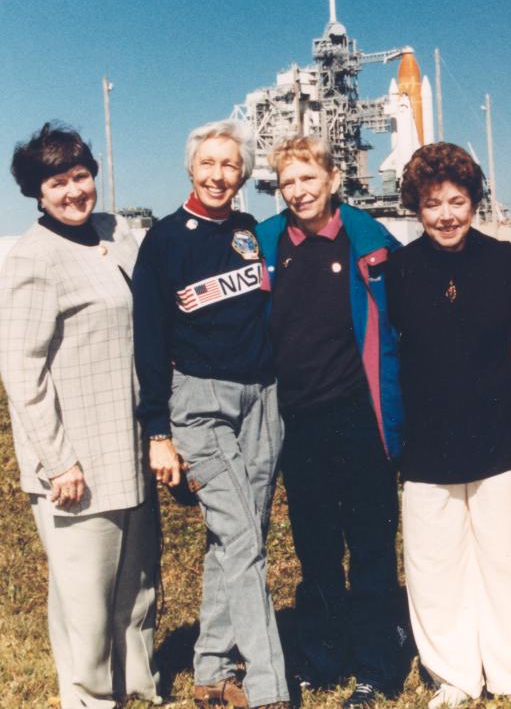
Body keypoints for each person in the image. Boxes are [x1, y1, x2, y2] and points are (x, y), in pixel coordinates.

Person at [0, 123, 160, 709]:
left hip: (131, 444)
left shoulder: (116, 234)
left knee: (138, 585)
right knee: (85, 595)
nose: (74, 190)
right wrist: (57, 460)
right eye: (58, 181)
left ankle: (138, 687)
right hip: (76, 459)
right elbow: (22, 371)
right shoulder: (33, 259)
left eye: (81, 175)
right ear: (37, 193)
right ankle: (91, 698)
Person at [132, 119, 289, 709]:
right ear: (191, 168)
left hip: (262, 399)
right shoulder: (165, 239)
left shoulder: (250, 232)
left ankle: (209, 671)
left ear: (244, 174)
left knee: (240, 536)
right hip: (199, 403)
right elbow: (148, 340)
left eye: (230, 165)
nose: (219, 175)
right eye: (209, 164)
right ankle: (272, 688)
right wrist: (157, 430)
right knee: (243, 538)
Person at [384, 142, 511, 709]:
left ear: (474, 201)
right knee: (434, 564)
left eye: (457, 200)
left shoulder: (507, 263)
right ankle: (452, 672)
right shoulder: (398, 272)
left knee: (506, 559)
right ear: (416, 208)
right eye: (433, 204)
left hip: (498, 435)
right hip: (427, 443)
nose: (447, 214)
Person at [255, 136, 409, 709]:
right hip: (298, 422)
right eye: (287, 182)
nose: (298, 191)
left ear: (333, 177)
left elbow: (403, 328)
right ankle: (323, 654)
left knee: (370, 544)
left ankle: (377, 663)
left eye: (308, 178)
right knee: (315, 546)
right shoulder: (267, 243)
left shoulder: (370, 239)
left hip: (360, 419)